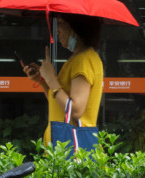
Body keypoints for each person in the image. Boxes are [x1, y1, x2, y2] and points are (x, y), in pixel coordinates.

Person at [22, 13, 103, 145]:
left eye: (61, 24)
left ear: (76, 28)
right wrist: (43, 80)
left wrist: (51, 78)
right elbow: (60, 104)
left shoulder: (83, 60)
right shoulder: (79, 58)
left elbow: (75, 110)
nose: (57, 30)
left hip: (72, 149)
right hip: (65, 147)